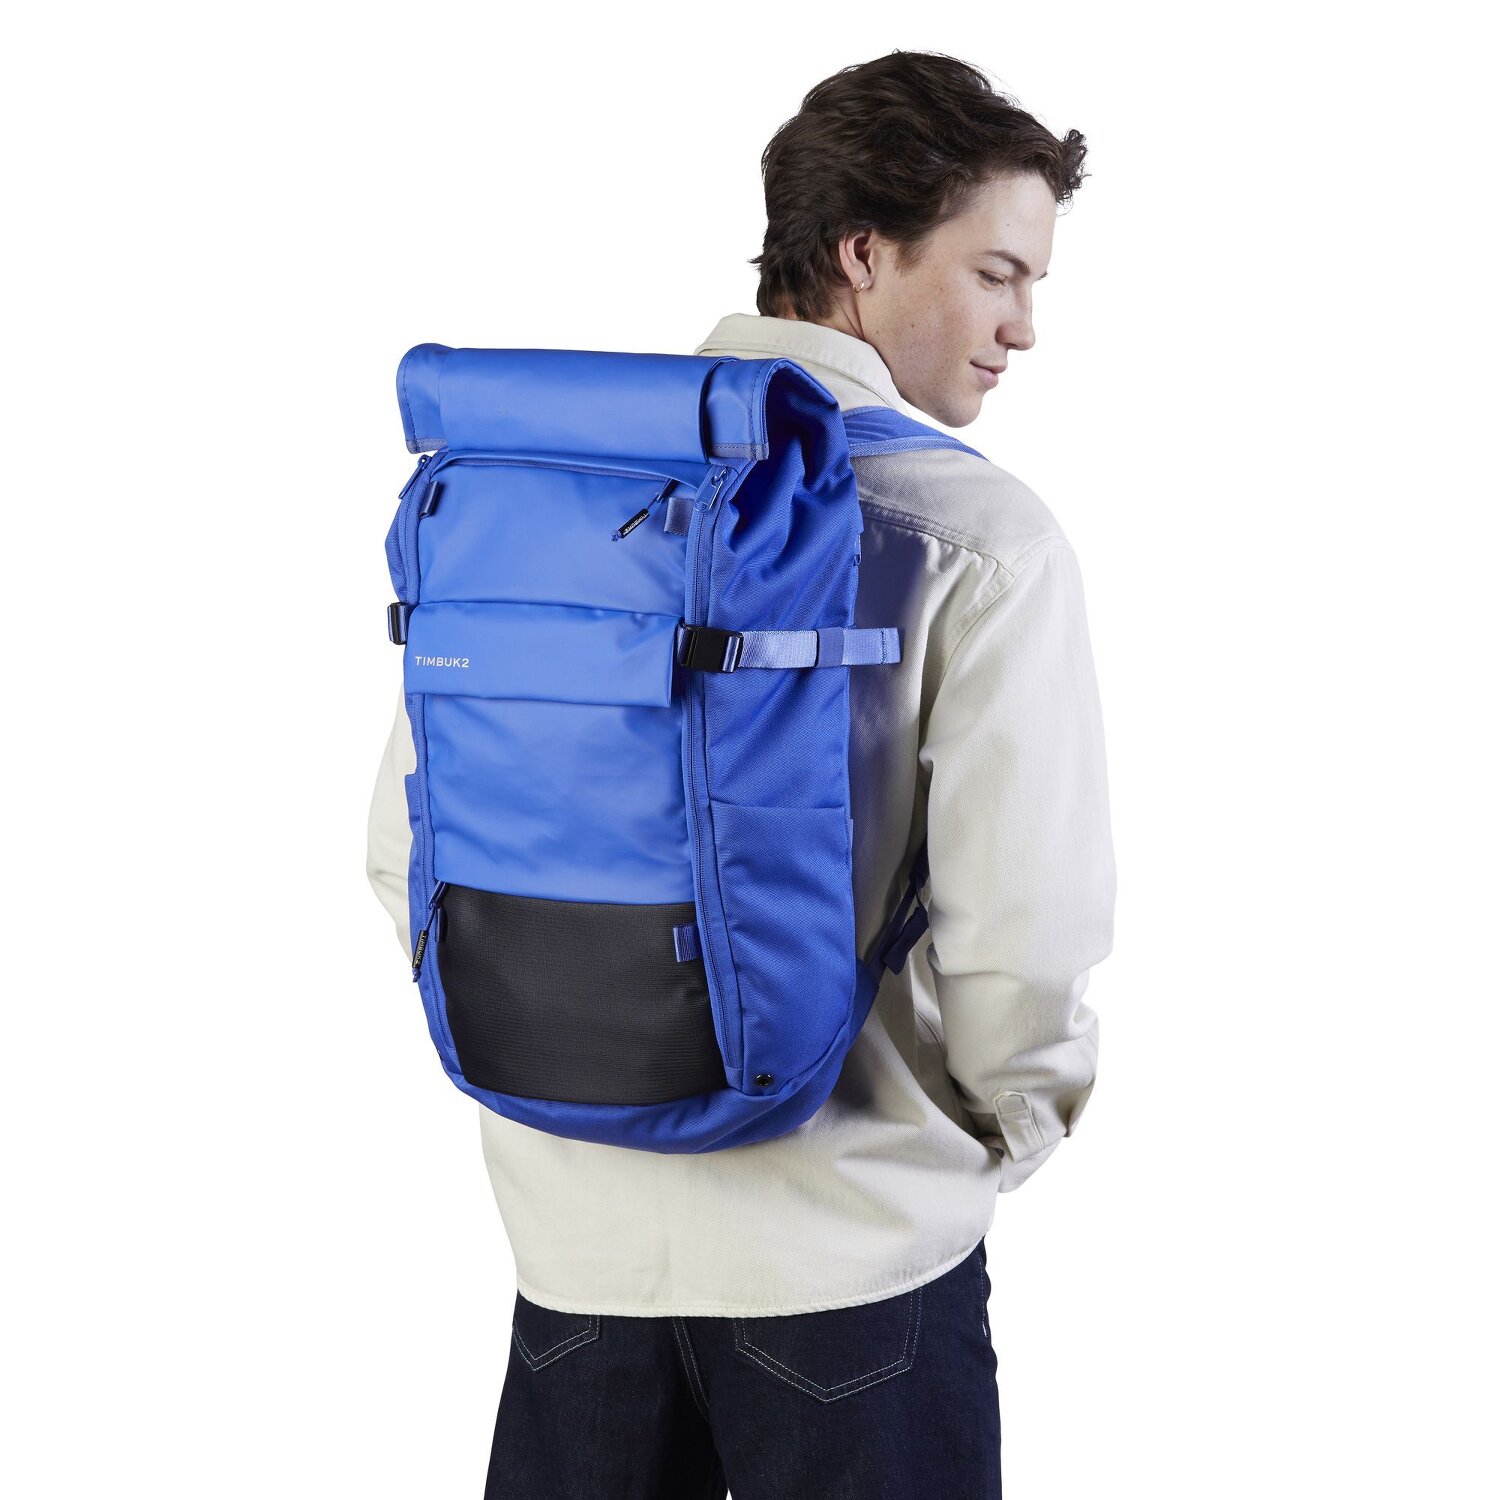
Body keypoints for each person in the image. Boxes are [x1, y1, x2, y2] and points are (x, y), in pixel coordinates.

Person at [365, 48, 1116, 1500]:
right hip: (853, 1263)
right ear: (862, 253)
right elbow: (1028, 932)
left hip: (571, 1260)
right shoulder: (978, 537)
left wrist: (563, 1078)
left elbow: (406, 848)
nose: (1023, 328)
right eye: (997, 273)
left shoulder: (550, 492)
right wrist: (988, 1142)